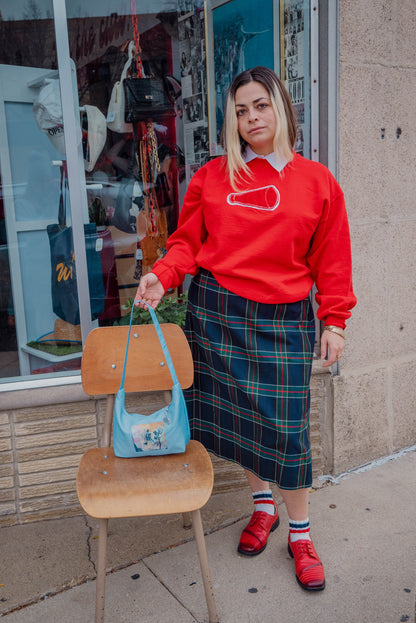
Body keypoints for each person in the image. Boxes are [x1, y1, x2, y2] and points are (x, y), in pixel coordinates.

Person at [135, 66, 356, 592]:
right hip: (218, 314)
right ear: (231, 121)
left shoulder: (318, 182)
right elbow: (188, 242)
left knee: (288, 432)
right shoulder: (213, 176)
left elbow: (333, 259)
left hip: (283, 321)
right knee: (243, 426)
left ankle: (299, 533)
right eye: (240, 110)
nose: (251, 118)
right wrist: (162, 276)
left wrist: (337, 321)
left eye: (260, 105)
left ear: (281, 108)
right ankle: (263, 509)